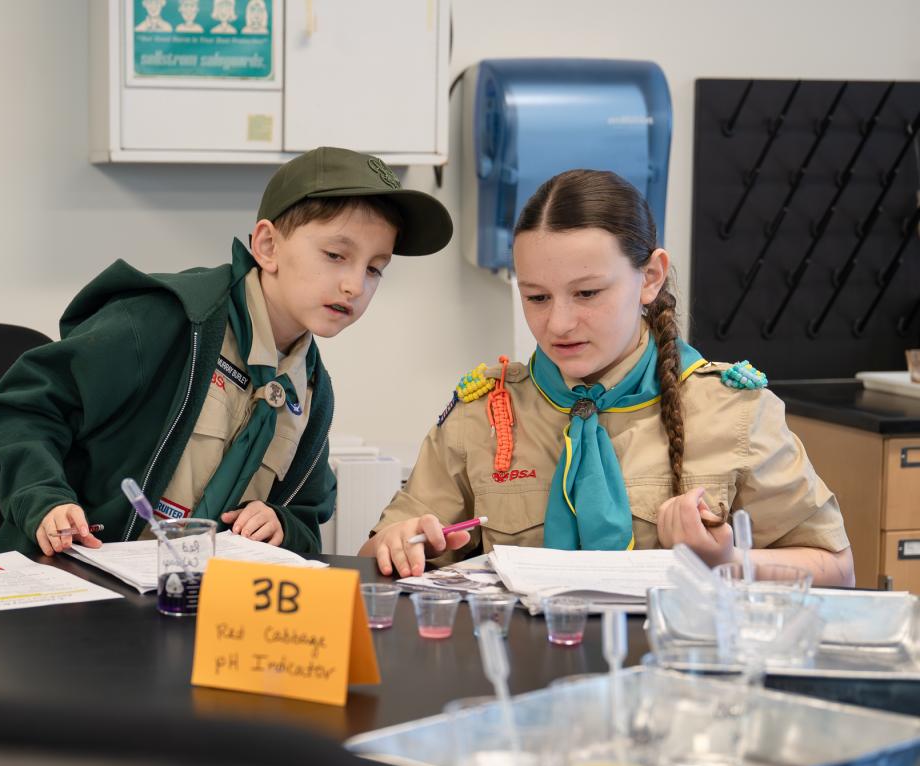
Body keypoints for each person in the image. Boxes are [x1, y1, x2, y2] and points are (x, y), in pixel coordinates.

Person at [359, 169, 854, 587]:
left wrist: (727, 563)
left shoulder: (734, 410)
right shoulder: (483, 412)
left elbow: (836, 567)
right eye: (536, 297)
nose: (557, 324)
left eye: (588, 293)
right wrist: (399, 545)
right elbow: (375, 555)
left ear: (651, 278)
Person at [0, 147, 453, 557]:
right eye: (335, 255)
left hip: (197, 607)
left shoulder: (310, 387)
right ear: (267, 246)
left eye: (375, 269)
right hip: (74, 585)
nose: (354, 285)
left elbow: (308, 516)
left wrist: (281, 525)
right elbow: (20, 411)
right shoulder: (167, 322)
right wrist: (44, 499)